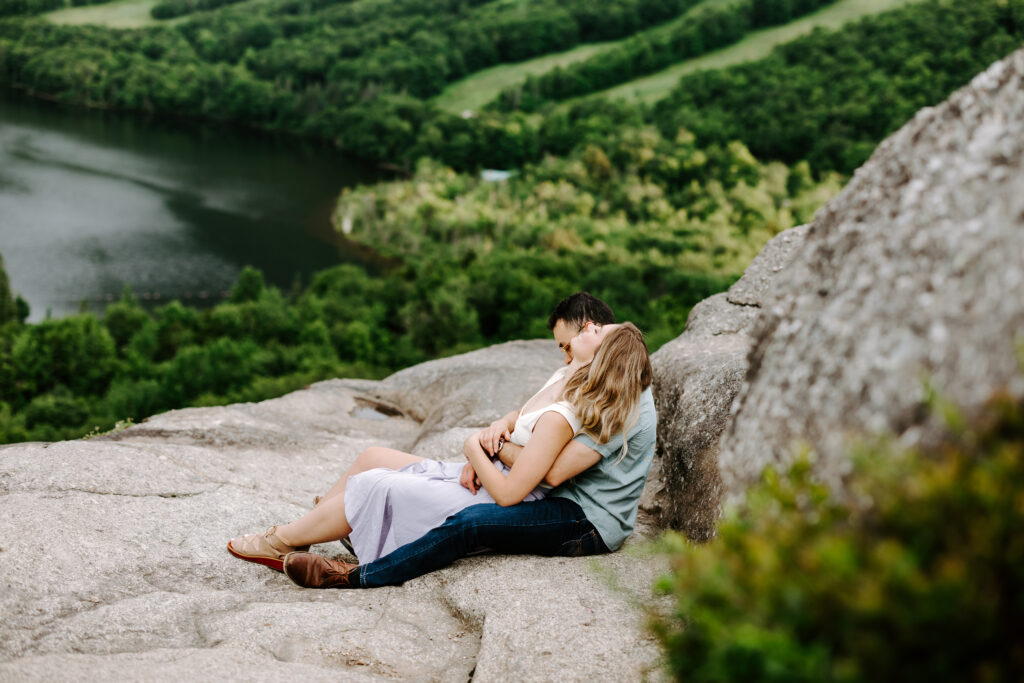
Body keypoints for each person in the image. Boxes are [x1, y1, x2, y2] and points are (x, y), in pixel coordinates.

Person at [231, 293, 658, 588]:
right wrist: (498, 432)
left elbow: (551, 471)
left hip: (583, 518)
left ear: (608, 353)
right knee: (374, 459)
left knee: (468, 524)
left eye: (597, 332)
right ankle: (316, 529)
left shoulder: (620, 406)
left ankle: (351, 574)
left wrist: (483, 448)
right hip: (536, 484)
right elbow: (532, 418)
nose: (593, 330)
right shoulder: (583, 381)